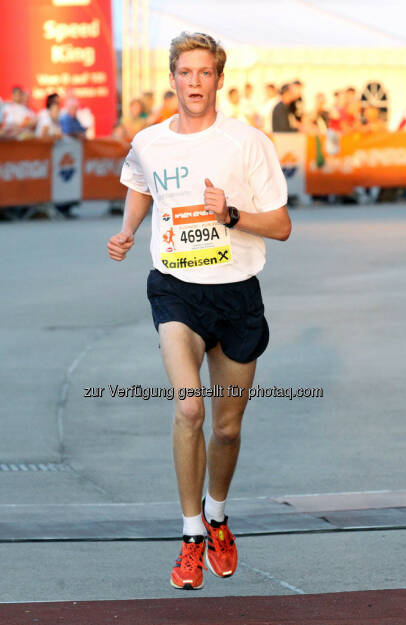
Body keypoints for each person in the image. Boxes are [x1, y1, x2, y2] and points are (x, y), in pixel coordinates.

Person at [107, 31, 291, 591]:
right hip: (176, 289)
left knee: (227, 430)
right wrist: (128, 230)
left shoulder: (248, 142)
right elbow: (140, 182)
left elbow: (280, 226)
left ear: (218, 79)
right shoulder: (149, 141)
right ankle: (190, 536)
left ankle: (217, 517)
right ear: (172, 78)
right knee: (190, 409)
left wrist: (231, 214)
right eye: (185, 73)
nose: (194, 83)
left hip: (236, 295)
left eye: (204, 73)